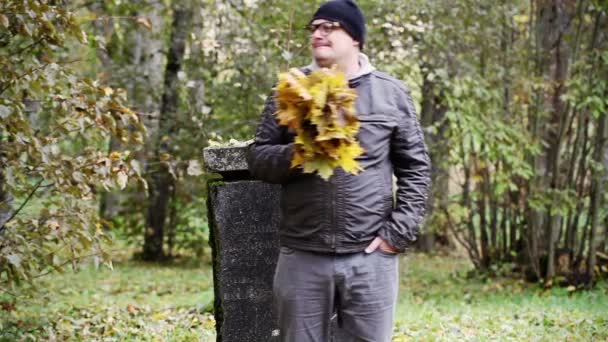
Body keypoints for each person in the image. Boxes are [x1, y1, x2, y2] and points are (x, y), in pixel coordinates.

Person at [247, 0, 431, 340]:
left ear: (356, 37)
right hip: (302, 254)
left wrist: (396, 235)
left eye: (329, 27)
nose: (317, 33)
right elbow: (258, 160)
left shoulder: (391, 94)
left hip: (370, 256)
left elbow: (416, 168)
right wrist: (302, 150)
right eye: (314, 28)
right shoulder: (289, 91)